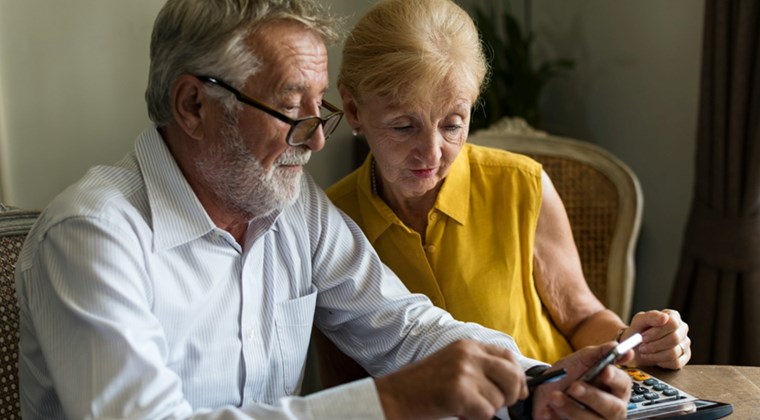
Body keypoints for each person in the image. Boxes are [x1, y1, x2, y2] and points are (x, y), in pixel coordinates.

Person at [15, 0, 633, 418]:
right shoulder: (93, 236)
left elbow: (404, 327)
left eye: (320, 110)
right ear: (193, 106)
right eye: (291, 109)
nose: (315, 140)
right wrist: (386, 402)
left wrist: (539, 382)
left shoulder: (290, 206)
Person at [318, 0, 692, 387]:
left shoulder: (521, 185)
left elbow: (582, 317)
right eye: (402, 127)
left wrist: (633, 344)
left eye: (452, 124)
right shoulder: (328, 224)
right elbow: (345, 384)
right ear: (353, 109)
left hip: (551, 405)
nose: (431, 153)